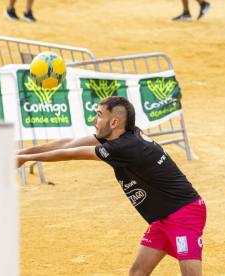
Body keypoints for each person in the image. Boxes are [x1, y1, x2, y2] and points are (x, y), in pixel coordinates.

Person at [16, 96, 207, 275]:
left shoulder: (124, 147)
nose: (94, 119)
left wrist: (25, 159)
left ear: (114, 123)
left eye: (99, 115)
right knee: (137, 272)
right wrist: (23, 152)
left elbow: (72, 153)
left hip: (184, 214)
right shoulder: (121, 135)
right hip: (163, 216)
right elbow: (70, 143)